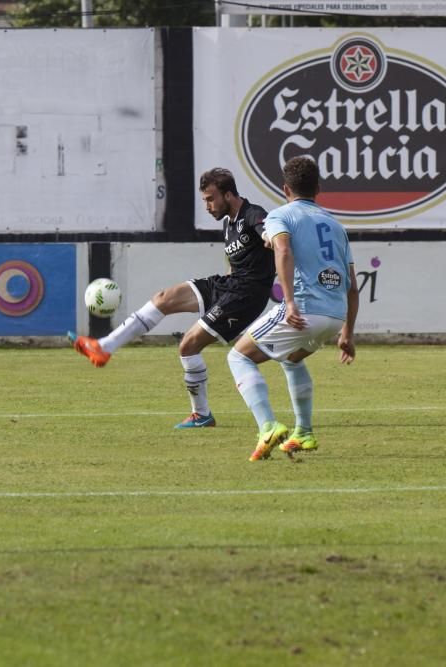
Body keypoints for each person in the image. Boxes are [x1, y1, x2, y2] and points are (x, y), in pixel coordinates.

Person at [69, 168, 275, 429]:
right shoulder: (229, 223)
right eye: (204, 200)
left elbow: (271, 234)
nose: (207, 206)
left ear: (229, 194)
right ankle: (104, 347)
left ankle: (201, 415)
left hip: (246, 296)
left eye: (211, 199)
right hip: (229, 286)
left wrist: (270, 237)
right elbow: (236, 264)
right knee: (163, 298)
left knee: (187, 346)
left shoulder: (253, 214)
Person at [227, 156, 358, 462]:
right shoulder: (336, 225)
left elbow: (283, 248)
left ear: (285, 188)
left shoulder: (280, 216)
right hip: (334, 314)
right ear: (318, 188)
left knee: (239, 356)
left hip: (305, 309)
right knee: (291, 360)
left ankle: (268, 426)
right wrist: (347, 332)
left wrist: (289, 302)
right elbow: (352, 285)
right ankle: (304, 433)